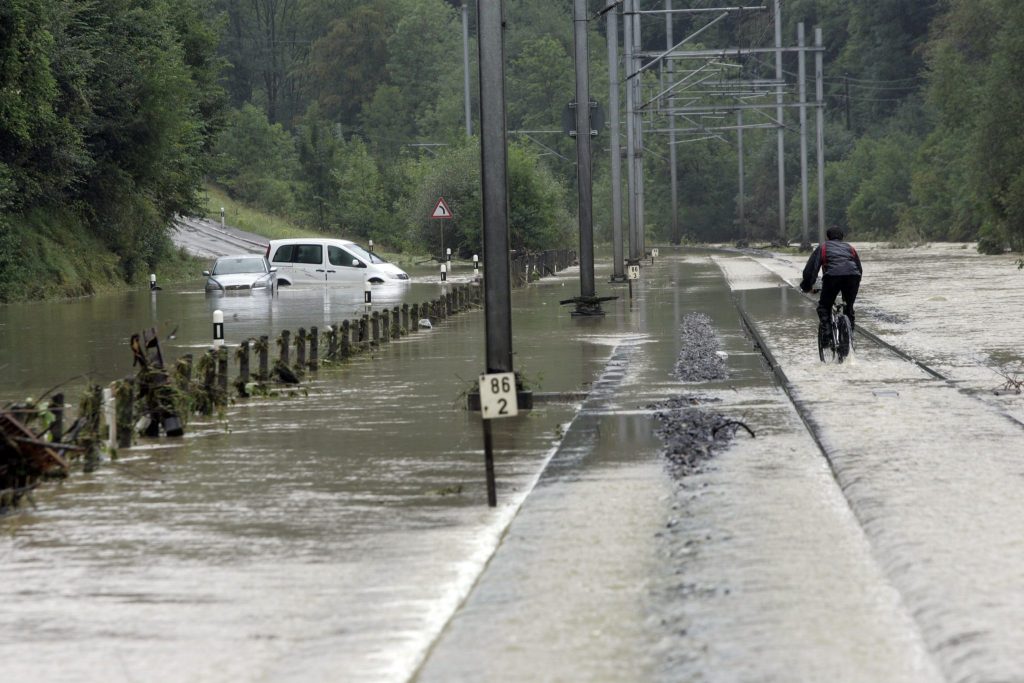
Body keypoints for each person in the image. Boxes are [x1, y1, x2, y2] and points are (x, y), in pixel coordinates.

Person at [799, 226, 862, 345]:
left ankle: (827, 337)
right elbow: (859, 269)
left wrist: (807, 286)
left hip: (833, 277)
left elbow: (810, 270)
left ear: (827, 237)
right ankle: (850, 337)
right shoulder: (850, 248)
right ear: (842, 237)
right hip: (853, 277)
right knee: (849, 307)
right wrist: (854, 286)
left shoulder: (823, 247)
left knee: (823, 307)